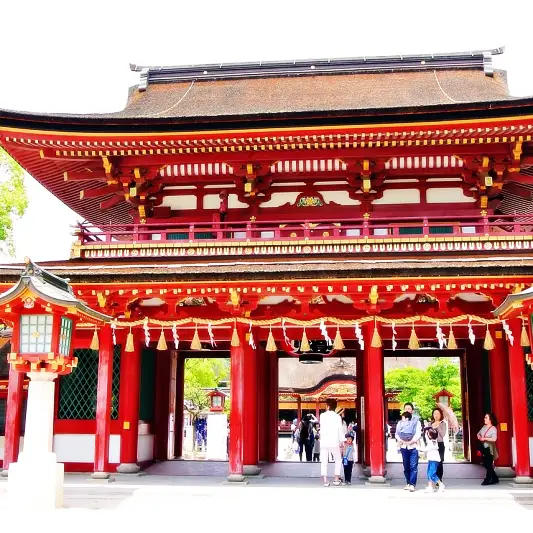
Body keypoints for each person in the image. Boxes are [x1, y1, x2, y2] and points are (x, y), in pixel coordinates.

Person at [395, 402, 421, 492]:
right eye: (406, 409)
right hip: (403, 447)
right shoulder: (400, 422)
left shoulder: (417, 422)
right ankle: (408, 483)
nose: (407, 410)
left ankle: (412, 484)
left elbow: (418, 433)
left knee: (413, 466)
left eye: (409, 409)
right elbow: (397, 434)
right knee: (406, 466)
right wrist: (402, 441)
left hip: (413, 447)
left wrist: (411, 441)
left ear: (412, 411)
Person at [319, 398, 345, 487]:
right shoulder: (337, 417)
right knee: (338, 459)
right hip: (334, 441)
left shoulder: (322, 416)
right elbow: (340, 430)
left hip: (324, 441)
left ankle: (325, 481)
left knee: (324, 461)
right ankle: (336, 479)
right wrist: (342, 441)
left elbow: (321, 428)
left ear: (328, 406)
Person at [477, 412, 499, 486]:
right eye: (485, 417)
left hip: (489, 448)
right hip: (483, 448)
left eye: (486, 418)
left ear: (490, 420)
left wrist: (485, 438)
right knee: (485, 464)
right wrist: (479, 437)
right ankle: (495, 478)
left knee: (488, 464)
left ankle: (487, 480)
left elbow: (494, 439)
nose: (484, 419)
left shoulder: (493, 428)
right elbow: (478, 434)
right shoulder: (484, 427)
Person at [422, 427, 445, 493]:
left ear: (430, 435)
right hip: (431, 460)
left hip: (434, 460)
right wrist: (426, 432)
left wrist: (417, 448)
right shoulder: (433, 440)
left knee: (432, 474)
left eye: (428, 434)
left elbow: (425, 449)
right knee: (429, 473)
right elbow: (427, 438)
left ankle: (441, 485)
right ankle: (430, 487)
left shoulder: (432, 443)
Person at [431, 407, 447, 482]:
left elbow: (442, 434)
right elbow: (428, 434)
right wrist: (432, 427)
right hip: (432, 445)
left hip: (440, 444)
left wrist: (438, 427)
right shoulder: (430, 423)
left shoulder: (443, 424)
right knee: (433, 462)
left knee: (440, 462)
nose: (436, 415)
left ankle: (439, 480)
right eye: (435, 414)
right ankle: (433, 479)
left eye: (438, 414)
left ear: (441, 415)